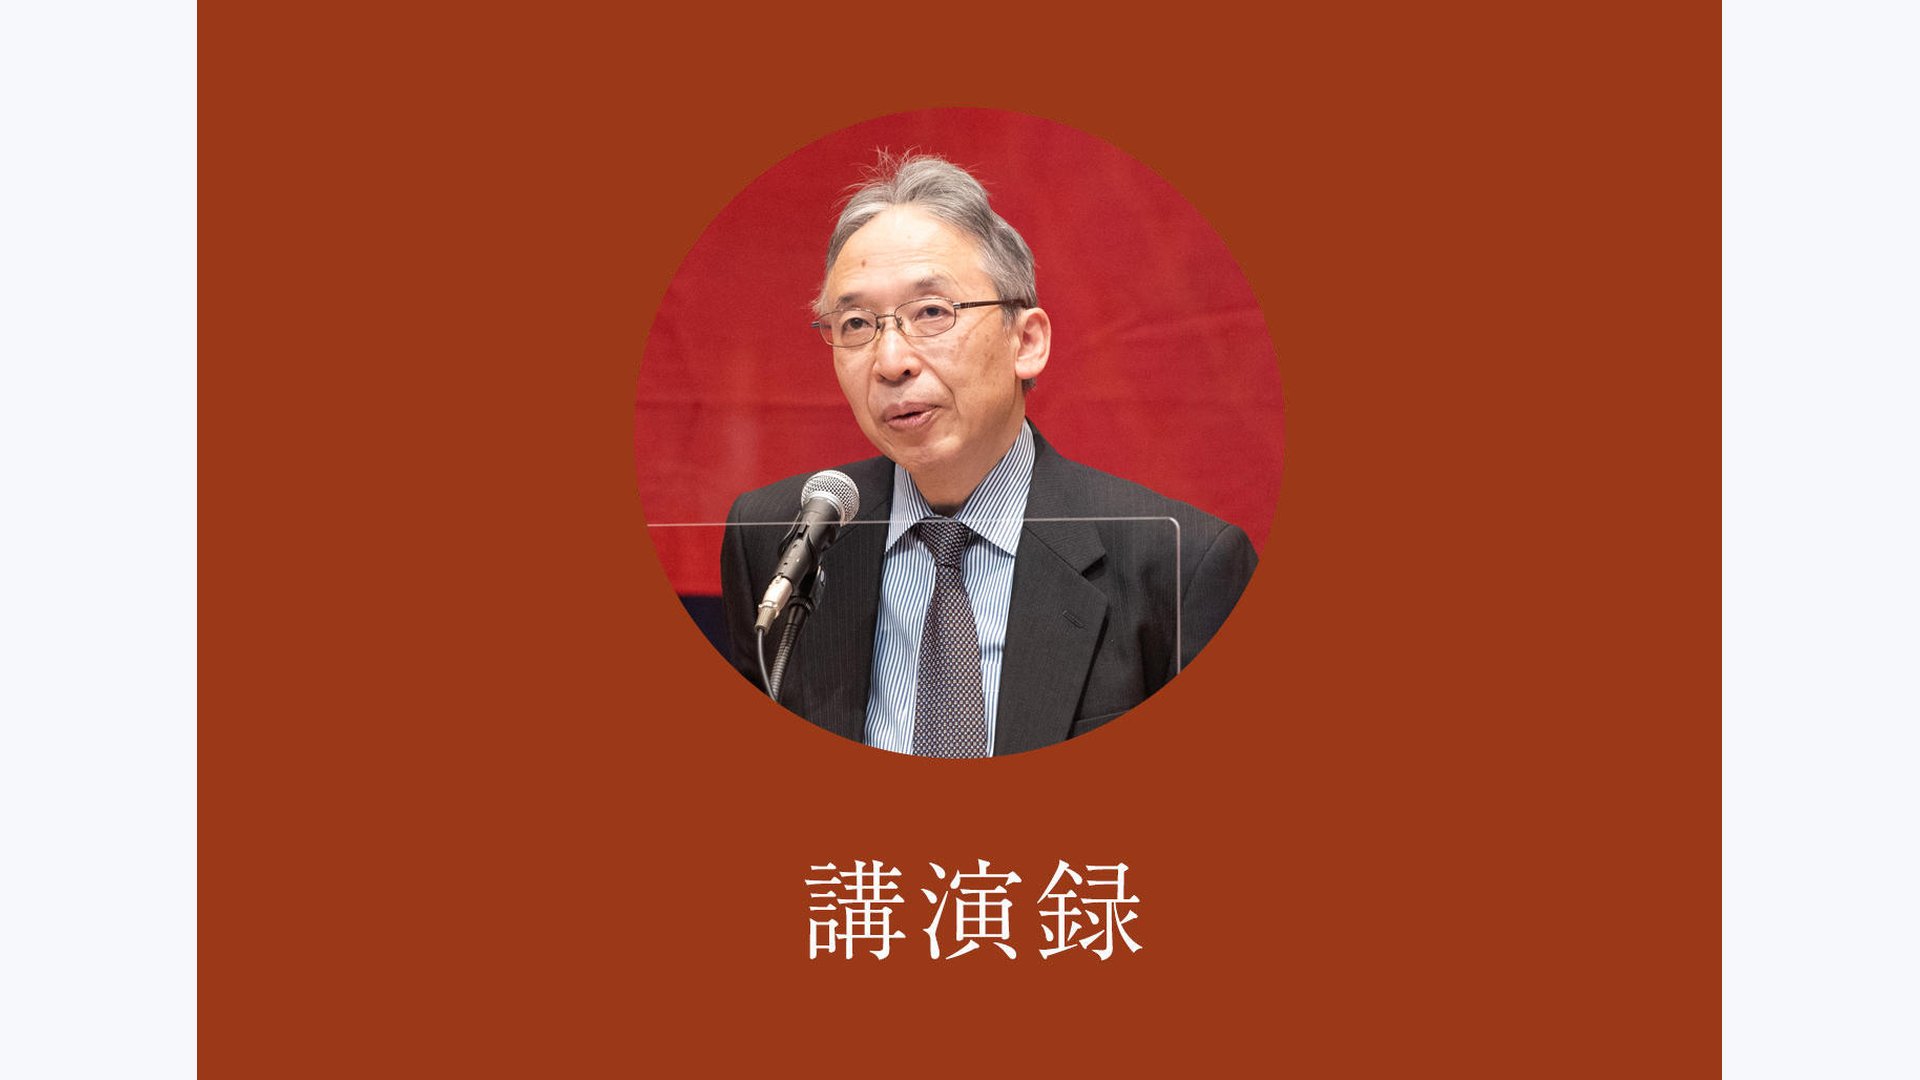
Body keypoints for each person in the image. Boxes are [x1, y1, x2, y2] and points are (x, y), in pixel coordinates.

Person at [720, 153, 1257, 757]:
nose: (891, 362)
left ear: (1026, 342)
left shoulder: (1181, 563)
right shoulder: (779, 539)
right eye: (855, 324)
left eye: (932, 312)